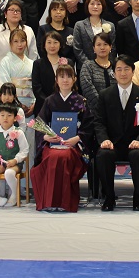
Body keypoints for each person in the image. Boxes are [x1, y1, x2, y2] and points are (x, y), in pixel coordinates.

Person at [94, 55, 139, 211]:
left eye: (126, 69)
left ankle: (138, 197)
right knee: (103, 154)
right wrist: (104, 139)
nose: (123, 73)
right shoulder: (105, 95)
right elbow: (99, 122)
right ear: (114, 73)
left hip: (135, 142)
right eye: (119, 69)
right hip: (112, 143)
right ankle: (109, 197)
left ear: (133, 71)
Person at [32, 63, 94, 212]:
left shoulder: (81, 102)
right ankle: (50, 201)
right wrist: (46, 137)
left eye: (68, 77)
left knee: (63, 157)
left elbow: (89, 126)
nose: (65, 80)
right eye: (61, 76)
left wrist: (77, 138)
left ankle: (65, 202)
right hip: (52, 145)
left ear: (74, 79)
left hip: (74, 146)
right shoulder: (49, 101)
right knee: (53, 156)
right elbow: (40, 124)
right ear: (56, 80)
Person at [0, 104, 30, 207]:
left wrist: (15, 160)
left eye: (9, 115)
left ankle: (14, 195)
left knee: (9, 173)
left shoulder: (19, 133)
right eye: (2, 115)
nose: (5, 118)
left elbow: (24, 150)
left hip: (14, 163)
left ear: (15, 118)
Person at [0, 0, 39, 73]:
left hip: (25, 72)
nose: (15, 13)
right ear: (5, 14)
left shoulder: (28, 30)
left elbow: (33, 55)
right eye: (11, 10)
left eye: (18, 11)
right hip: (2, 72)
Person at [71, 0, 115, 68]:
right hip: (85, 67)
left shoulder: (110, 25)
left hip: (106, 67)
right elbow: (77, 49)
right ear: (87, 6)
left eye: (98, 4)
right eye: (92, 4)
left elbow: (113, 48)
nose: (95, 7)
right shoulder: (79, 25)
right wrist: (90, 65)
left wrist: (107, 64)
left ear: (103, 6)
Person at [78, 33, 116, 114]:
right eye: (98, 45)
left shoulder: (116, 67)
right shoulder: (88, 66)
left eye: (105, 44)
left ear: (110, 47)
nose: (102, 47)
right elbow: (88, 90)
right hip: (94, 113)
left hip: (115, 111)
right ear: (94, 48)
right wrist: (102, 107)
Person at [32, 32, 65, 110]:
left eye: (55, 42)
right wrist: (49, 102)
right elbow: (36, 88)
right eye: (49, 42)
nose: (52, 46)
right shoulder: (38, 64)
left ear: (60, 45)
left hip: (64, 105)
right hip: (43, 106)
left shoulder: (68, 62)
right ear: (44, 45)